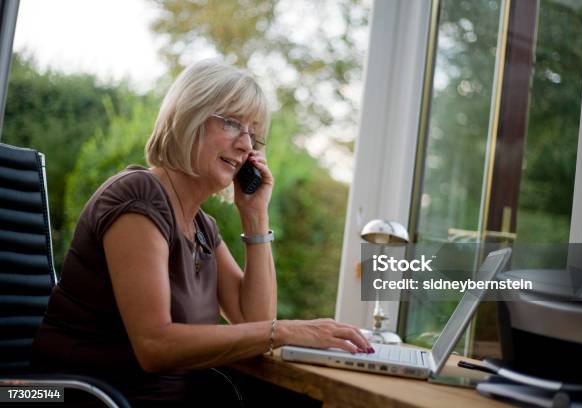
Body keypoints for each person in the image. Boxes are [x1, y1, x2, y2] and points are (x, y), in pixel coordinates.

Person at [32, 60, 372, 407]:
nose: (245, 145)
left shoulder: (202, 226)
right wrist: (286, 330)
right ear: (188, 117)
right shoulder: (137, 196)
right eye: (232, 123)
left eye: (252, 134)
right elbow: (155, 346)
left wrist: (255, 216)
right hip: (89, 399)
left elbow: (254, 321)